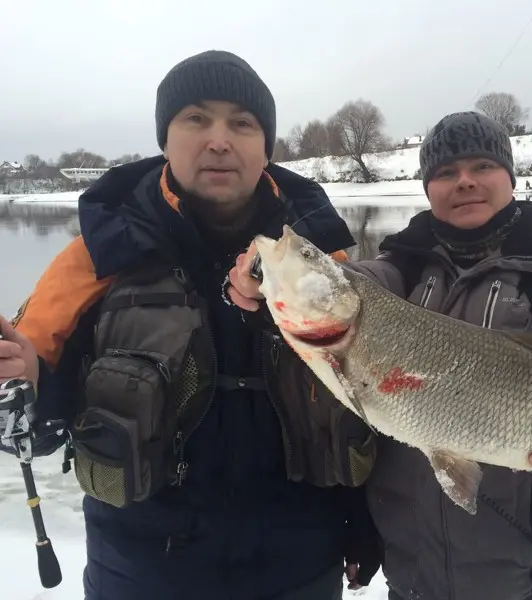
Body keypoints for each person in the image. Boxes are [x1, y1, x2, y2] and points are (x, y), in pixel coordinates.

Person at [0, 50, 382, 600]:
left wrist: (364, 522)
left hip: (300, 567)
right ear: (164, 139)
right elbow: (33, 424)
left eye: (242, 123)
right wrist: (29, 386)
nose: (219, 140)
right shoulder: (95, 258)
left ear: (266, 146)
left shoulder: (322, 262)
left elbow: (370, 401)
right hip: (140, 572)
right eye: (196, 119)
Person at [226, 111, 532, 600]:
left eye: (482, 166)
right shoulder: (400, 266)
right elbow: (343, 293)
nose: (465, 182)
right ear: (428, 187)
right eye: (445, 173)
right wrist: (256, 281)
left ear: (511, 176)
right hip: (414, 571)